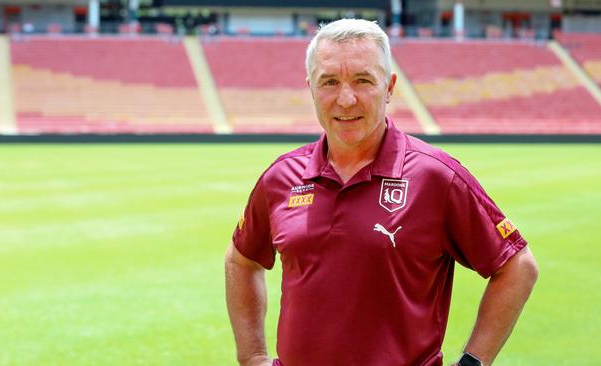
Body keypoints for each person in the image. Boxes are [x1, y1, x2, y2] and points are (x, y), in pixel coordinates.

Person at [225, 18, 538, 366]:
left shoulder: (436, 176)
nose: (346, 99)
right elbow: (241, 260)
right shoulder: (281, 177)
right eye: (329, 82)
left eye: (363, 80)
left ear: (389, 87)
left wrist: (472, 362)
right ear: (311, 87)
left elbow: (517, 266)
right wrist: (252, 355)